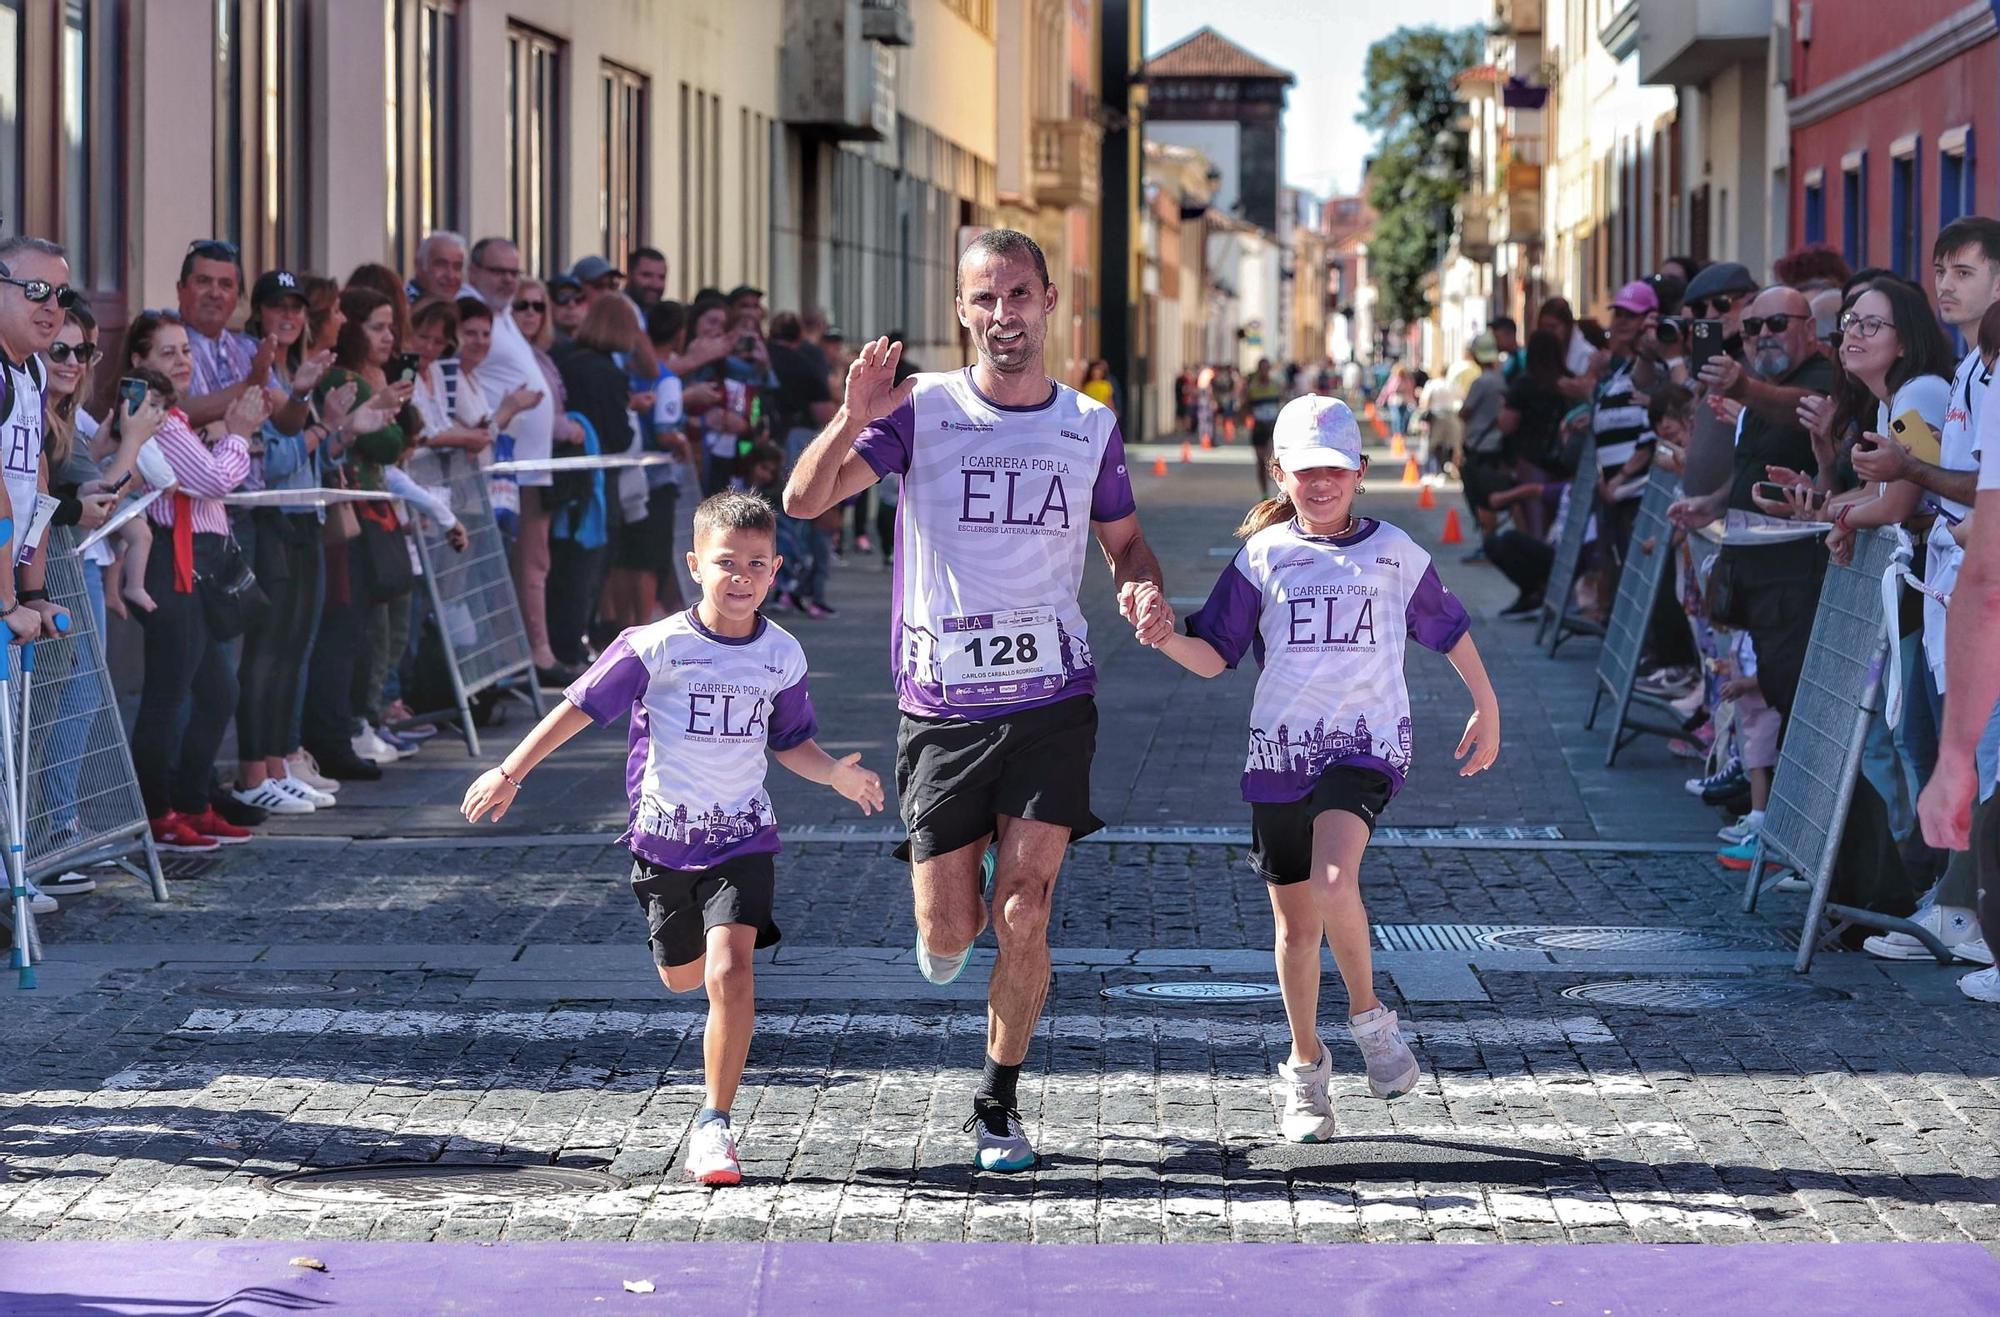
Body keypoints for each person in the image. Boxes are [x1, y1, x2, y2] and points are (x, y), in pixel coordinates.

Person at [781, 228, 1169, 1173]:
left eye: (1020, 295)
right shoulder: (923, 413)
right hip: (945, 709)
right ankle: (952, 926)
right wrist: (847, 416)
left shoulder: (1089, 426)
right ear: (962, 310)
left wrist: (1144, 585)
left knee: (1026, 910)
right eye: (984, 299)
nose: (1004, 315)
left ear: (1049, 302)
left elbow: (1125, 541)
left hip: (1053, 699)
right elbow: (801, 503)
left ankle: (998, 1104)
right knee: (949, 929)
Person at [461, 491, 885, 1183]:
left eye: (756, 563)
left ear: (776, 568)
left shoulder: (782, 653)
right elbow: (574, 709)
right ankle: (694, 1000)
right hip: (662, 843)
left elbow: (792, 742)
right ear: (695, 564)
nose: (741, 576)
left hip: (743, 838)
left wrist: (835, 772)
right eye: (726, 562)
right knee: (681, 973)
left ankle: (714, 1126)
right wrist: (511, 771)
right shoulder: (654, 647)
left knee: (730, 971)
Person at [1154, 395, 1499, 1138]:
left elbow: (1450, 628)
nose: (1319, 485)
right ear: (1280, 474)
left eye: (1334, 471)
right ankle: (1306, 1073)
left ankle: (1371, 1018)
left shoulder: (1396, 552)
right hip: (1279, 754)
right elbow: (1213, 654)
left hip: (1366, 746)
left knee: (1337, 877)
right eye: (1304, 473)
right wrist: (1158, 637)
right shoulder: (1260, 556)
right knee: (1295, 928)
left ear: (1359, 472)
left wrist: (1487, 705)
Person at [117, 308, 262, 851]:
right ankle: (156, 811)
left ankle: (193, 801)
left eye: (185, 351)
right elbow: (212, 480)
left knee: (217, 689)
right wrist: (239, 435)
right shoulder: (150, 412)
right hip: (170, 565)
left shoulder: (173, 417)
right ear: (139, 362)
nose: (181, 361)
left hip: (198, 562)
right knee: (168, 695)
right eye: (167, 353)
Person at [230, 269, 341, 816]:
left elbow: (311, 453)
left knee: (292, 652)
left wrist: (336, 429)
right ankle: (255, 772)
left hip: (306, 517)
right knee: (267, 655)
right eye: (278, 308)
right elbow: (270, 462)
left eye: (297, 308)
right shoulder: (258, 368)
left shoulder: (297, 369)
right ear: (259, 313)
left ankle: (277, 765)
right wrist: (320, 431)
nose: (289, 317)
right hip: (271, 519)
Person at [466, 238, 561, 675]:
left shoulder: (504, 317)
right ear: (476, 270)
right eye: (498, 271)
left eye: (513, 271)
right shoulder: (471, 310)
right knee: (503, 568)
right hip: (499, 466)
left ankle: (530, 654)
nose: (507, 280)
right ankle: (523, 658)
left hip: (529, 466)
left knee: (533, 563)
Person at [1245, 359, 1285, 496]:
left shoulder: (1275, 385)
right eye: (1262, 368)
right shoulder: (1253, 387)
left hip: (1271, 427)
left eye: (1267, 368)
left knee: (1270, 458)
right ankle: (1264, 493)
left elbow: (1281, 403)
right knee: (1260, 462)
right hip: (1258, 427)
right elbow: (1246, 405)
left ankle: (1277, 490)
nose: (1265, 371)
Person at [409, 231, 471, 303]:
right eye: (441, 265)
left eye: (457, 267)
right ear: (419, 266)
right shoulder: (402, 309)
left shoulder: (464, 307)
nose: (451, 275)